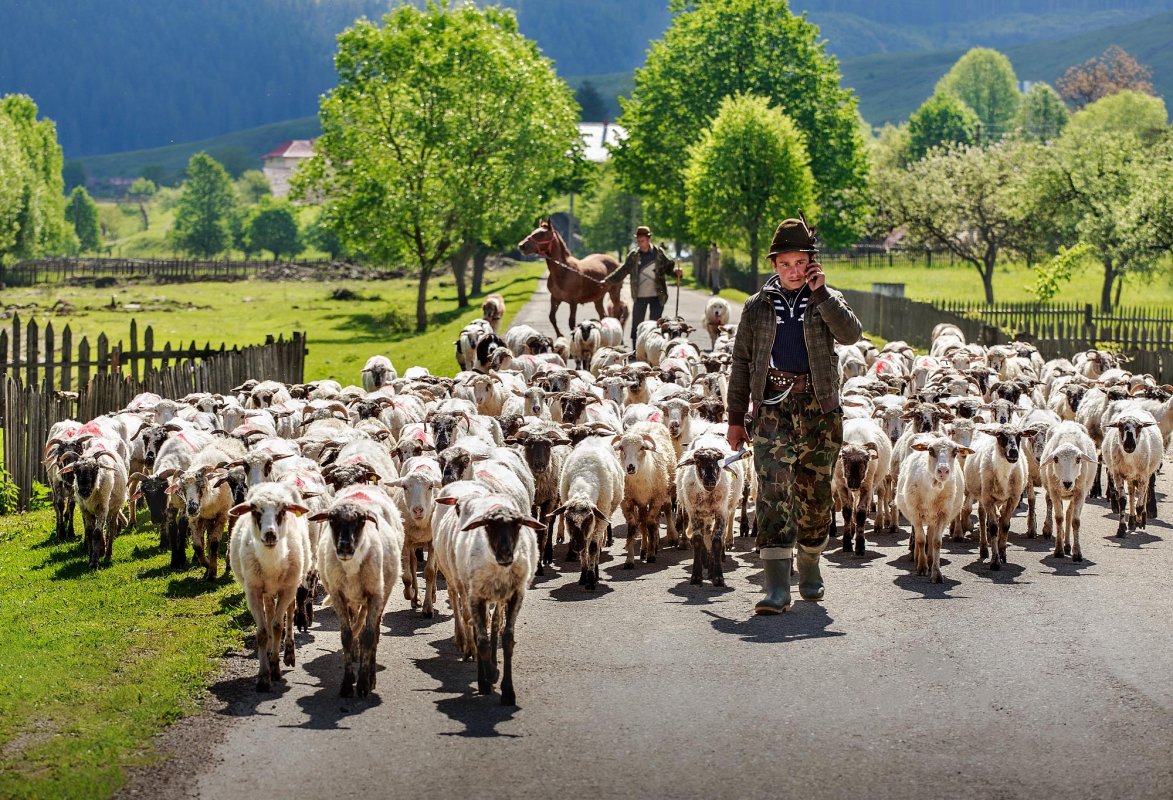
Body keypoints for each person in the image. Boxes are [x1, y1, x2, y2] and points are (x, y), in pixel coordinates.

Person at [726, 215, 861, 614]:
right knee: (771, 491)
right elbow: (741, 361)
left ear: (812, 263)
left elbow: (851, 335)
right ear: (774, 266)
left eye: (799, 263)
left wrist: (822, 295)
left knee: (814, 492)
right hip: (772, 409)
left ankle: (811, 564)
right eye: (784, 264)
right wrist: (736, 418)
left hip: (819, 409)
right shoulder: (757, 307)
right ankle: (776, 587)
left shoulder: (826, 301)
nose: (792, 271)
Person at [603, 225, 682, 348]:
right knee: (637, 324)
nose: (640, 243)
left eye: (642, 241)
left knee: (655, 324)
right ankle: (636, 349)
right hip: (639, 295)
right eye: (638, 241)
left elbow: (668, 269)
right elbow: (623, 270)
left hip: (657, 295)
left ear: (648, 239)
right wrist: (608, 281)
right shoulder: (634, 256)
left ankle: (654, 348)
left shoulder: (659, 253)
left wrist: (677, 273)